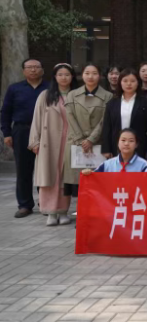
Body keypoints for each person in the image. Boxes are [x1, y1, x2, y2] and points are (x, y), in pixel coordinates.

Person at [28, 63, 78, 226]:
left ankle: (63, 211)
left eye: (67, 74)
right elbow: (36, 118)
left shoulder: (76, 94)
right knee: (49, 176)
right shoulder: (45, 95)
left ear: (72, 77)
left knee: (65, 177)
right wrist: (34, 141)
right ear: (55, 77)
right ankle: (50, 212)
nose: (64, 78)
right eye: (60, 74)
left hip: (70, 141)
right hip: (48, 141)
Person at [1, 58, 48, 218]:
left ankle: (45, 202)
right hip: (22, 131)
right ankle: (25, 205)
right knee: (23, 169)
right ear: (23, 71)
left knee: (45, 168)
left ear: (42, 70)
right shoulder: (14, 89)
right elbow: (6, 112)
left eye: (36, 67)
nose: (33, 70)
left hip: (45, 132)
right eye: (29, 67)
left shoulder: (50, 88)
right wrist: (7, 133)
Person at [64, 63, 113, 197]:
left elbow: (104, 120)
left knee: (98, 182)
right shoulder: (72, 95)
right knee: (79, 183)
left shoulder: (108, 96)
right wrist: (81, 140)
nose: (90, 76)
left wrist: (91, 139)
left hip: (97, 142)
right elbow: (70, 117)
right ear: (82, 75)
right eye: (87, 73)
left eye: (94, 73)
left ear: (100, 76)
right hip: (77, 142)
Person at [101, 68, 147, 159]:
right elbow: (107, 127)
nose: (129, 84)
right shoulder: (112, 103)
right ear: (120, 83)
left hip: (139, 147)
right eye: (125, 81)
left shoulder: (146, 103)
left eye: (132, 81)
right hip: (116, 146)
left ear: (138, 83)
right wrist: (106, 149)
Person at [82, 129, 147, 173]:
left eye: (131, 141)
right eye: (123, 140)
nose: (126, 143)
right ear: (118, 143)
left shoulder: (143, 165)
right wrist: (88, 173)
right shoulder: (107, 164)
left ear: (136, 144)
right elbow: (94, 177)